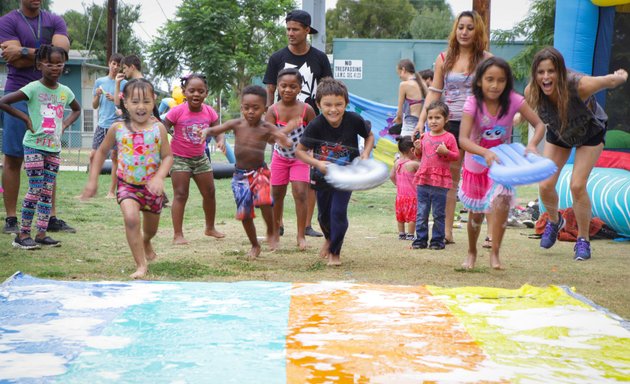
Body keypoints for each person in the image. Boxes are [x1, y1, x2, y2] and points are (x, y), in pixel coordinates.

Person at [525, 47, 628, 261]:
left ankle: (583, 240)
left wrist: (620, 76)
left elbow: (606, 82)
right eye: (541, 72)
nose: (546, 77)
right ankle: (555, 222)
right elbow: (524, 111)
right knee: (545, 184)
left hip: (589, 132)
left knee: (577, 185)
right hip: (560, 132)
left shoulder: (578, 85)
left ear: (560, 72)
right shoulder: (531, 92)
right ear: (535, 74)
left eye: (551, 71)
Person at [80, 79, 173, 279]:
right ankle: (141, 265)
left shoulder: (159, 129)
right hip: (127, 186)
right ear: (125, 102)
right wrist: (92, 181)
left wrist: (159, 177)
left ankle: (146, 241)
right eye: (135, 102)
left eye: (146, 102)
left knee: (150, 230)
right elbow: (101, 152)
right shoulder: (117, 128)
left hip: (152, 189)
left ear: (154, 102)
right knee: (131, 220)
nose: (141, 107)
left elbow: (168, 156)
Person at [459, 57, 545, 270]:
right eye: (489, 79)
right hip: (476, 164)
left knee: (503, 204)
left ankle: (495, 253)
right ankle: (472, 251)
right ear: (480, 81)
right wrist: (484, 151)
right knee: (476, 214)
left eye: (501, 80)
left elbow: (539, 124)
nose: (495, 85)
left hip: (502, 165)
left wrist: (533, 144)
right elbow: (463, 140)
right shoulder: (473, 104)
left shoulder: (515, 101)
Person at [414, 10, 492, 245]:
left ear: (477, 31)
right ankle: (446, 231)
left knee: (483, 176)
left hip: (478, 124)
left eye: (469, 28)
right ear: (455, 30)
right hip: (450, 124)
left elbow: (493, 92)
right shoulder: (443, 58)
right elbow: (435, 93)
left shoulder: (487, 59)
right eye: (461, 27)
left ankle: (490, 232)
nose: (464, 32)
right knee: (449, 178)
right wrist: (421, 120)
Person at [0, 0, 75, 234]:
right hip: (19, 91)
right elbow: (11, 58)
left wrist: (24, 51)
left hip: (49, 95)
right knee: (13, 157)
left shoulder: (55, 20)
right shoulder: (8, 21)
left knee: (48, 156)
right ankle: (11, 220)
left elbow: (62, 53)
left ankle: (49, 218)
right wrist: (44, 54)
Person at [264, 9, 333, 238]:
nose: (290, 33)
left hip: (310, 123)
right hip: (281, 122)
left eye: (295, 29)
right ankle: (279, 223)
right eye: (288, 29)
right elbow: (270, 88)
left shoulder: (319, 58)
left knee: (308, 178)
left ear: (306, 30)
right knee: (279, 182)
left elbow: (326, 89)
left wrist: (327, 116)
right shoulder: (277, 58)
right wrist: (268, 116)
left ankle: (306, 225)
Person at [201, 85, 291, 260]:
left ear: (265, 109)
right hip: (240, 176)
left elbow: (280, 136)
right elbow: (215, 130)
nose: (250, 112)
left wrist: (284, 140)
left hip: (260, 172)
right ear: (241, 108)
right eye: (246, 108)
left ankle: (272, 231)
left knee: (265, 200)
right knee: (244, 213)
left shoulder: (266, 127)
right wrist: (206, 131)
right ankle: (254, 245)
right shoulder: (237, 124)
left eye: (256, 108)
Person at [296, 78, 375, 266]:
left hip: (347, 177)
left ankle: (335, 252)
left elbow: (369, 136)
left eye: (339, 104)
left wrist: (365, 153)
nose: (334, 109)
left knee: (338, 213)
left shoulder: (354, 120)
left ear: (346, 103)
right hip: (322, 177)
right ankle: (329, 238)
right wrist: (318, 163)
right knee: (323, 216)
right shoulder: (315, 125)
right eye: (328, 105)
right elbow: (299, 151)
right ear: (318, 104)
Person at [163, 74, 225, 244]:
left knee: (210, 193)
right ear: (184, 92)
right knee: (181, 194)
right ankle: (178, 234)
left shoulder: (209, 111)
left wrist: (220, 141)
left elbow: (218, 129)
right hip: (179, 158)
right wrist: (166, 136)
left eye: (200, 91)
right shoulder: (177, 111)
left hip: (200, 157)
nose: (196, 94)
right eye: (192, 91)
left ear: (206, 93)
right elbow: (164, 126)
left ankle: (210, 228)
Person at [265, 68, 316, 250]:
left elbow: (315, 132)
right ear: (278, 87)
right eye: (283, 86)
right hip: (280, 157)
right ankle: (275, 230)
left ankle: (301, 235)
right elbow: (270, 138)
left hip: (300, 157)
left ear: (300, 88)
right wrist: (285, 132)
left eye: (292, 86)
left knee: (300, 193)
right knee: (277, 195)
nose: (287, 90)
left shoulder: (306, 110)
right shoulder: (273, 110)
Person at [411, 101, 459, 250]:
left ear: (446, 119)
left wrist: (446, 152)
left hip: (440, 183)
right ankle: (420, 240)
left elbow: (456, 156)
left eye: (437, 117)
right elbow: (420, 156)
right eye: (430, 118)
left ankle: (437, 241)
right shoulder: (424, 136)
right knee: (421, 212)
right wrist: (417, 149)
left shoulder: (449, 137)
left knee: (438, 213)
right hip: (423, 180)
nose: (433, 121)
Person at [91, 53, 126, 198]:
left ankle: (111, 191)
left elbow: (125, 105)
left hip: (117, 125)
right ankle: (92, 189)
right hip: (102, 125)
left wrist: (114, 100)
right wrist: (98, 95)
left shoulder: (124, 83)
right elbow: (94, 106)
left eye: (118, 65)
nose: (115, 67)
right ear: (109, 63)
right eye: (113, 63)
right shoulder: (100, 81)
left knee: (115, 157)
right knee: (93, 156)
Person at [389, 136, 419, 241]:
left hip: (400, 196)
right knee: (412, 217)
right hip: (412, 196)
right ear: (412, 150)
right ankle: (410, 235)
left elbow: (391, 175)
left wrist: (398, 185)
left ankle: (401, 234)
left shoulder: (397, 162)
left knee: (400, 216)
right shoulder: (414, 164)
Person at [393, 59, 428, 137]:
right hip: (421, 125)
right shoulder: (422, 83)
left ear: (403, 70)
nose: (399, 76)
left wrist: (398, 119)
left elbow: (400, 111)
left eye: (399, 73)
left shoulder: (404, 85)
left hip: (409, 124)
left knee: (404, 148)